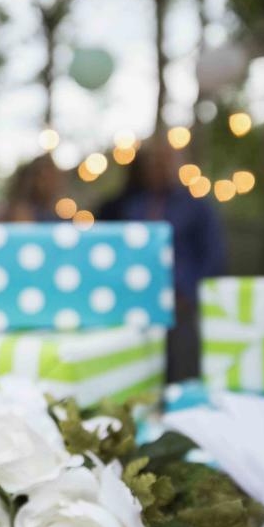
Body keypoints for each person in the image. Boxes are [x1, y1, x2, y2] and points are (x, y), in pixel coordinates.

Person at [98, 142, 226, 382]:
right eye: (153, 162)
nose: (158, 168)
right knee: (138, 365)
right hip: (138, 303)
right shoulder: (131, 206)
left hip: (180, 303)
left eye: (165, 161)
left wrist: (189, 292)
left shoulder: (197, 207)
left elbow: (213, 255)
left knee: (182, 367)